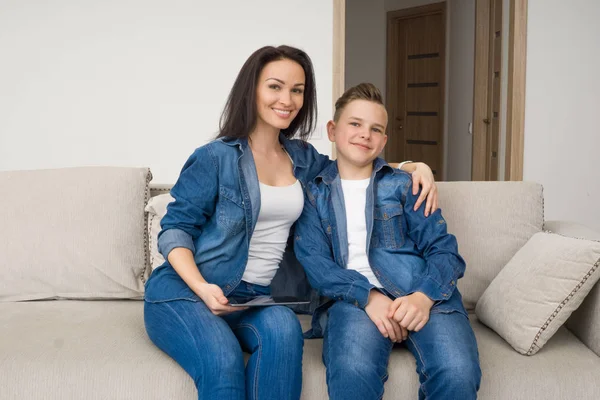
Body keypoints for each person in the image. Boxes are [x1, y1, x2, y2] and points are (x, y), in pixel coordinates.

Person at [143, 46, 439, 400]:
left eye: (297, 90)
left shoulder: (303, 159)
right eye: (275, 86)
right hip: (185, 292)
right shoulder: (215, 157)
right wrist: (203, 288)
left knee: (286, 332)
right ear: (252, 89)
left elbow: (354, 163)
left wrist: (411, 166)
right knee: (223, 362)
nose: (287, 99)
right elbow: (175, 229)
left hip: (253, 299)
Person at [294, 83, 481, 400]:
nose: (364, 134)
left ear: (383, 140)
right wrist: (368, 297)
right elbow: (316, 264)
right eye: (354, 124)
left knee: (457, 372)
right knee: (352, 372)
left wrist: (423, 298)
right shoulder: (313, 191)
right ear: (332, 129)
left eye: (375, 129)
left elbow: (445, 251)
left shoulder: (405, 185)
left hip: (423, 294)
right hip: (353, 300)